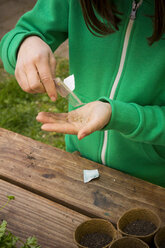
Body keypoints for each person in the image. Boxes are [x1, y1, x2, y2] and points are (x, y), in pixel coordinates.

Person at [0, 0, 165, 187]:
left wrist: (119, 116)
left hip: (153, 184)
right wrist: (23, 44)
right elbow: (20, 33)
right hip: (80, 163)